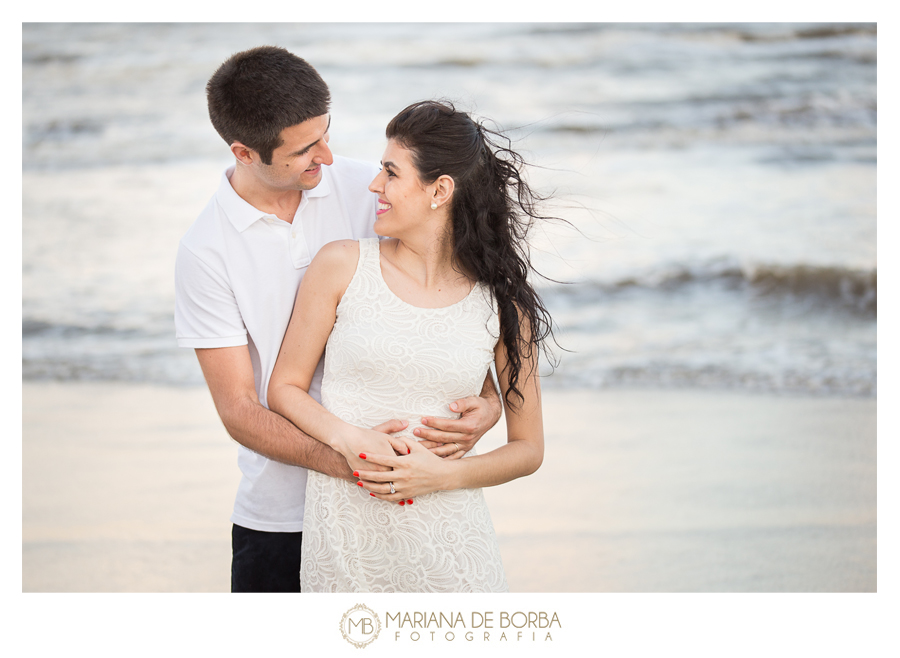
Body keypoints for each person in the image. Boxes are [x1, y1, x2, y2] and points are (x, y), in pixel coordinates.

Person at [174, 47, 502, 593]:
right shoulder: (206, 251)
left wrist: (487, 399)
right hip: (282, 518)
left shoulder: (370, 190)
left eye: (327, 133)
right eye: (305, 149)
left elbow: (446, 300)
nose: (326, 155)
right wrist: (352, 458)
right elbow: (238, 409)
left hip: (404, 501)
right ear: (245, 152)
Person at [267, 100, 552, 592]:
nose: (374, 185)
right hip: (346, 546)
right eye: (380, 170)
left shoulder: (502, 303)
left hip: (455, 552)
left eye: (391, 173)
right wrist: (347, 438)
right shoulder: (340, 266)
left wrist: (440, 478)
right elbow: (284, 388)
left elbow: (528, 449)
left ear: (439, 190)